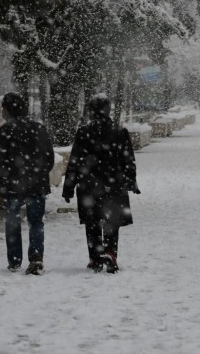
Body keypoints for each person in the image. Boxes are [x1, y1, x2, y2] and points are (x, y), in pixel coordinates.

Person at [63, 95, 140, 274]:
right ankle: (111, 253)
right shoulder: (120, 131)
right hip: (114, 183)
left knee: (92, 222)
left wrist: (69, 187)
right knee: (111, 221)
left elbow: (74, 161)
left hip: (89, 185)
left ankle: (95, 258)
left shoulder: (84, 132)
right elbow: (128, 159)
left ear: (92, 111)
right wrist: (131, 180)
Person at [0, 92, 54, 274]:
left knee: (12, 223)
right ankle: (36, 257)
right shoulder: (38, 128)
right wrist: (39, 174)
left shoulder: (3, 132)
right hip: (37, 184)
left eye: (3, 108)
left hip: (12, 186)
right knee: (36, 222)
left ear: (8, 109)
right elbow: (49, 157)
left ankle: (14, 259)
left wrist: (6, 180)